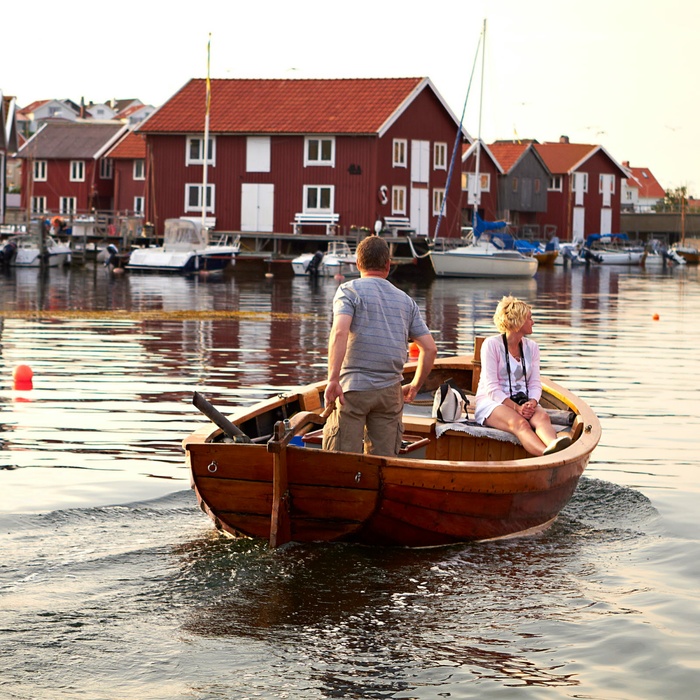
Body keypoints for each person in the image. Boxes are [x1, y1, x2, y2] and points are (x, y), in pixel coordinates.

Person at [323, 236, 437, 456]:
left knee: (341, 460)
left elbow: (340, 332)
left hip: (353, 390)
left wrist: (333, 379)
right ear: (388, 264)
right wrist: (414, 386)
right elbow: (429, 349)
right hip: (390, 393)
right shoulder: (406, 301)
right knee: (383, 465)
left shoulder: (349, 291)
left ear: (358, 264)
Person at [474, 296, 571, 456]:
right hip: (492, 402)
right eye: (529, 318)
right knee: (520, 424)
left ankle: (555, 447)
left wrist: (532, 402)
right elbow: (491, 388)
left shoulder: (532, 347)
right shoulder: (491, 345)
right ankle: (548, 456)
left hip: (522, 400)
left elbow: (534, 383)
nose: (533, 322)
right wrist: (516, 408)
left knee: (542, 418)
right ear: (517, 321)